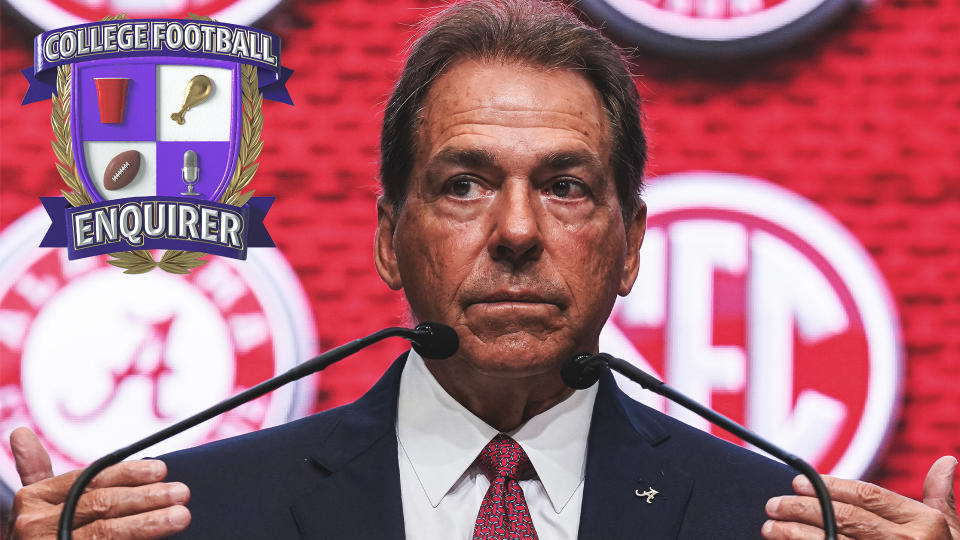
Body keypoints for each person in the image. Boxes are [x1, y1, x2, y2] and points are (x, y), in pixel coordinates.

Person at [7, 0, 959, 538]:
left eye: (567, 187)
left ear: (630, 245)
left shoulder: (772, 524)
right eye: (463, 185)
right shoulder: (193, 520)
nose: (514, 230)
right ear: (389, 236)